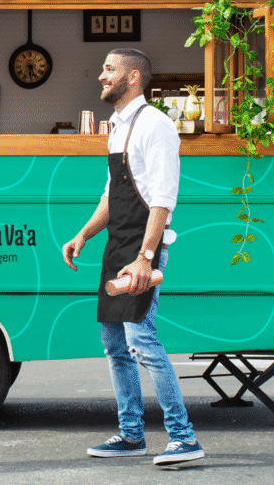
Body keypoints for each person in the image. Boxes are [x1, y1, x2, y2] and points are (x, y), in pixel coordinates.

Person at [62, 48, 204, 467]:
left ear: (134, 78)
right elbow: (112, 193)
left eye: (110, 70)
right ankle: (131, 435)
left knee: (141, 339)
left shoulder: (155, 125)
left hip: (142, 249)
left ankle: (183, 437)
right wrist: (83, 234)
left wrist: (146, 257)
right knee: (113, 343)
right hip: (115, 246)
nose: (101, 76)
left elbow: (162, 198)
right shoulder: (117, 127)